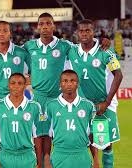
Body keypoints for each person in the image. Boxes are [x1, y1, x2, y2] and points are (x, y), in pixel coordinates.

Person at [23, 12, 110, 167]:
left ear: (53, 26)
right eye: (41, 24)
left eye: (48, 23)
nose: (45, 27)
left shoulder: (65, 46)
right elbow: (10, 52)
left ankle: (86, 160)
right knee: (40, 136)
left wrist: (101, 41)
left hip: (58, 98)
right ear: (37, 27)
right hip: (38, 98)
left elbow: (84, 45)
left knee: (68, 134)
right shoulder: (29, 46)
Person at [67, 19, 123, 168]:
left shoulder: (106, 51)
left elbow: (119, 75)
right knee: (88, 141)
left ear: (94, 32)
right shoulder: (71, 51)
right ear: (77, 33)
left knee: (105, 144)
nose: (84, 33)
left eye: (88, 30)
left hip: (104, 104)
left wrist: (107, 102)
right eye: (81, 31)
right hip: (84, 105)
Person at [46, 70, 96, 168]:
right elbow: (47, 135)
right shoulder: (51, 106)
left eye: (72, 81)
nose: (69, 84)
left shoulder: (88, 106)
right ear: (60, 84)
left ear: (77, 84)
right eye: (65, 81)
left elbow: (92, 134)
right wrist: (47, 159)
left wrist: (96, 160)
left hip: (82, 154)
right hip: (59, 155)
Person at [0, 73, 40, 168]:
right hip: (5, 156)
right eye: (13, 83)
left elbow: (37, 136)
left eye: (20, 83)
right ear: (8, 85)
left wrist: (39, 161)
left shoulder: (34, 107)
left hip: (27, 156)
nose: (16, 86)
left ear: (25, 86)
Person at [0, 20, 30, 103]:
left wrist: (25, 81)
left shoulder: (21, 52)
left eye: (5, 31)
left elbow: (35, 71)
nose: (1, 34)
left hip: (18, 101)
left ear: (10, 33)